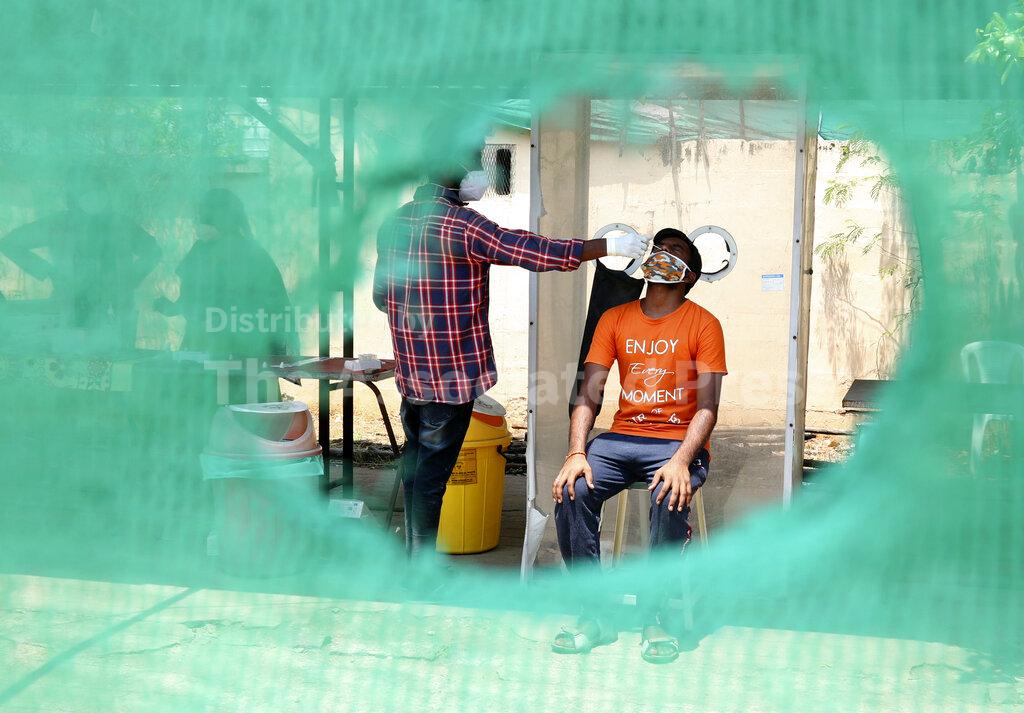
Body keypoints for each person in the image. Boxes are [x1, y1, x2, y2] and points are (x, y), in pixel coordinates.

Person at [374, 126, 650, 559]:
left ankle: (413, 558)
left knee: (417, 471)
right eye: (476, 163)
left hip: (412, 377)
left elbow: (380, 297)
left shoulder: (394, 223)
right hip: (451, 383)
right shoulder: (463, 225)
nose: (481, 174)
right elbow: (528, 249)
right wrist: (608, 245)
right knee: (431, 478)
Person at [551, 228, 727, 663]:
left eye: (674, 250)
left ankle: (655, 616)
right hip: (620, 438)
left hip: (676, 443)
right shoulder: (615, 318)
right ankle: (594, 614)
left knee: (669, 492)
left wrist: (682, 461)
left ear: (688, 274)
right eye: (658, 247)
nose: (661, 253)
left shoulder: (704, 323)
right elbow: (588, 394)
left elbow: (708, 407)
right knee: (572, 489)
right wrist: (576, 453)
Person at [154, 188, 296, 402]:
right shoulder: (200, 250)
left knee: (242, 407)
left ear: (223, 218)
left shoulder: (252, 254)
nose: (197, 224)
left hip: (245, 350)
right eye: (198, 217)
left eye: (204, 217)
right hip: (204, 347)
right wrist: (170, 307)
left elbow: (275, 305)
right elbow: (189, 297)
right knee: (207, 406)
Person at [0, 165, 160, 350]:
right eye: (86, 191)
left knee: (116, 358)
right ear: (74, 196)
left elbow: (153, 252)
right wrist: (49, 271)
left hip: (115, 308)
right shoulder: (59, 224)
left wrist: (127, 280)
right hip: (68, 305)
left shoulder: (121, 225)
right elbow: (10, 243)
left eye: (98, 189)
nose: (95, 196)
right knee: (68, 358)